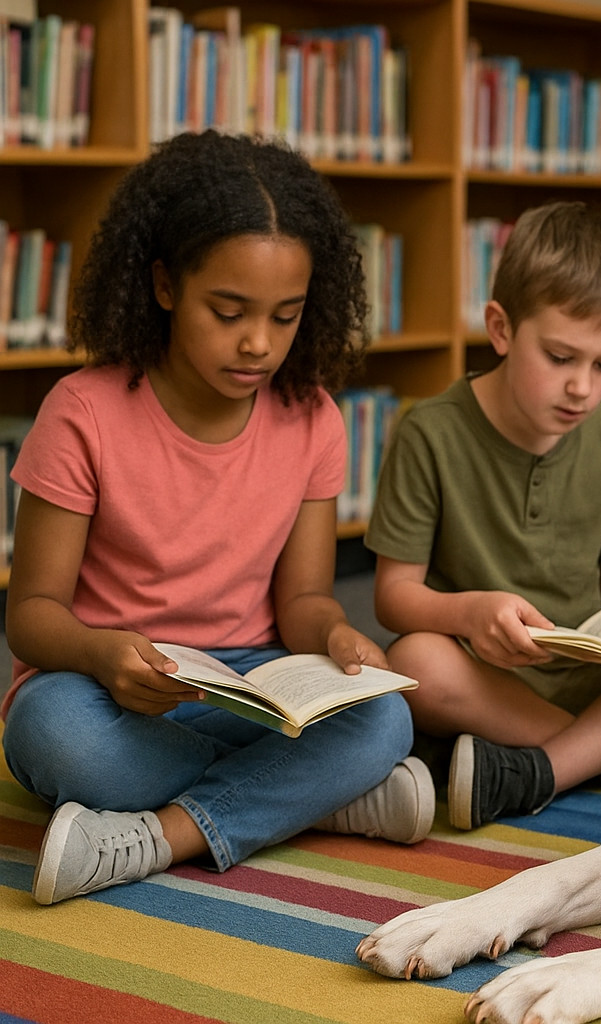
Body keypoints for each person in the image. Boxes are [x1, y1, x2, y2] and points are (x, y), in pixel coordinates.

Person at [2, 131, 432, 907]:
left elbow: (304, 601)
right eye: (228, 311)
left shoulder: (312, 418)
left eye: (286, 316)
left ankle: (161, 835)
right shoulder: (82, 413)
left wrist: (336, 635)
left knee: (386, 719)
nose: (258, 344)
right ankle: (316, 800)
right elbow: (30, 616)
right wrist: (102, 653)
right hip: (108, 688)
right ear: (165, 285)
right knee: (53, 736)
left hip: (247, 684)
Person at [366, 200, 601, 829]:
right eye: (561, 357)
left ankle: (540, 769)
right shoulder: (428, 432)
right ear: (500, 329)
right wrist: (469, 612)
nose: (582, 388)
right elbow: (392, 596)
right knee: (414, 662)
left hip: (598, 673)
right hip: (488, 677)